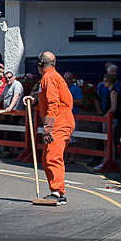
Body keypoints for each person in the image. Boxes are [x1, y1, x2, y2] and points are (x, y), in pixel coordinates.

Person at [34, 51, 74, 204]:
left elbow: (53, 103)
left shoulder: (49, 77)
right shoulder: (54, 76)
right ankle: (57, 191)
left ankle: (57, 192)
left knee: (52, 157)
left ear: (40, 65)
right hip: (62, 119)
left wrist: (48, 127)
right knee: (47, 158)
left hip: (59, 120)